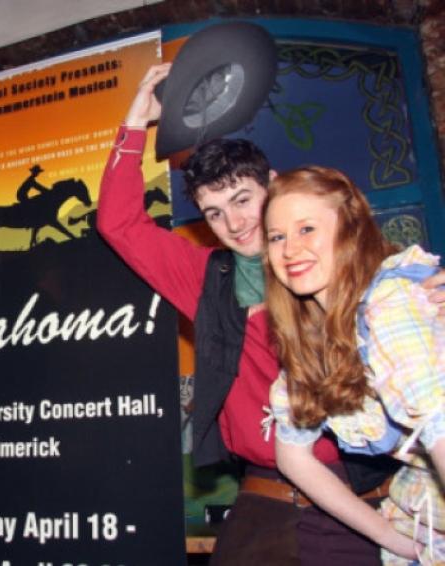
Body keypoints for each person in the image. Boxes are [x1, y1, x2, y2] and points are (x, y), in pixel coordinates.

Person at [97, 63, 445, 565]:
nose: (234, 223)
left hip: (365, 496)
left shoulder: (346, 270)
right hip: (263, 500)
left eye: (243, 201)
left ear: (275, 188)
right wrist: (137, 120)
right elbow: (118, 222)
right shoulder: (204, 276)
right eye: (214, 212)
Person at [265, 165, 445, 565]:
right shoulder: (313, 341)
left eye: (306, 229)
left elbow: (440, 427)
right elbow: (292, 458)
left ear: (351, 229)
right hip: (424, 523)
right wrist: (397, 542)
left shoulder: (391, 304)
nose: (290, 249)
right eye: (277, 237)